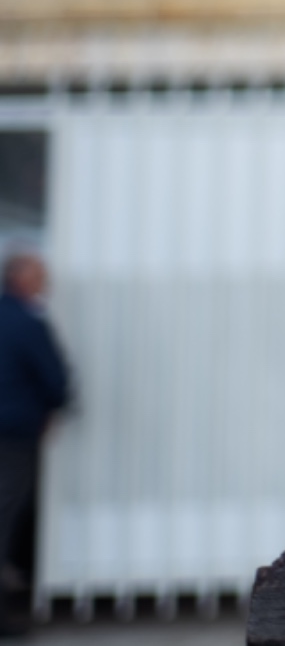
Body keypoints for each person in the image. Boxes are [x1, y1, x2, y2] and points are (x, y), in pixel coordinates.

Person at [0, 252, 67, 638]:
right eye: (41, 275)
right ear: (21, 278)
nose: (47, 282)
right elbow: (54, 379)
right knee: (7, 516)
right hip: (13, 435)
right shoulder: (25, 322)